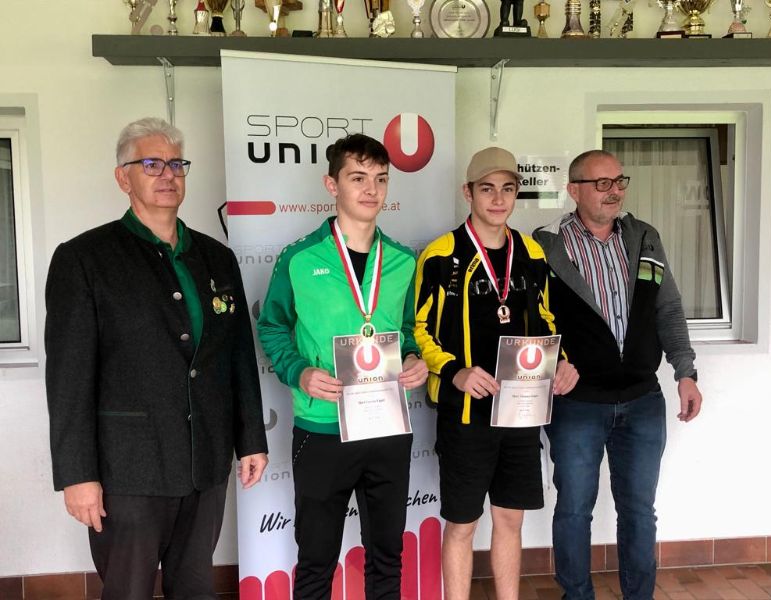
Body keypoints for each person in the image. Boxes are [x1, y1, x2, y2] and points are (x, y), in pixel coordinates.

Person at [45, 117, 269, 600]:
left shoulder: (216, 257)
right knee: (128, 591)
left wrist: (251, 438)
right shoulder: (84, 258)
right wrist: (78, 475)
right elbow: (69, 379)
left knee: (195, 588)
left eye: (176, 164)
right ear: (123, 178)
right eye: (151, 164)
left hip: (205, 463)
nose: (167, 174)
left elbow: (237, 357)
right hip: (128, 469)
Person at [257, 133, 428, 600]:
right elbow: (271, 326)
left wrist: (414, 359)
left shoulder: (402, 261)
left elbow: (408, 330)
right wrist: (299, 371)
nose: (371, 190)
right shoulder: (299, 259)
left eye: (380, 179)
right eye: (358, 178)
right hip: (322, 428)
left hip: (386, 425)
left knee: (387, 555)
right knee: (316, 559)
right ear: (331, 185)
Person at [533, 149, 703, 600]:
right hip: (577, 404)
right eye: (602, 183)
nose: (614, 192)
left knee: (639, 511)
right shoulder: (545, 245)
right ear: (574, 190)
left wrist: (685, 372)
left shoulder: (645, 238)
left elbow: (668, 308)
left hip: (642, 400)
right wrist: (553, 363)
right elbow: (532, 320)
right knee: (574, 510)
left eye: (619, 181)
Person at [414, 146, 579, 600]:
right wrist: (455, 371)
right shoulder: (441, 254)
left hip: (520, 412)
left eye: (508, 189)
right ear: (467, 192)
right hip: (466, 415)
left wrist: (562, 361)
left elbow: (546, 320)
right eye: (487, 189)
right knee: (462, 525)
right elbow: (418, 328)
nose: (498, 198)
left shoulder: (531, 251)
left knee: (510, 519)